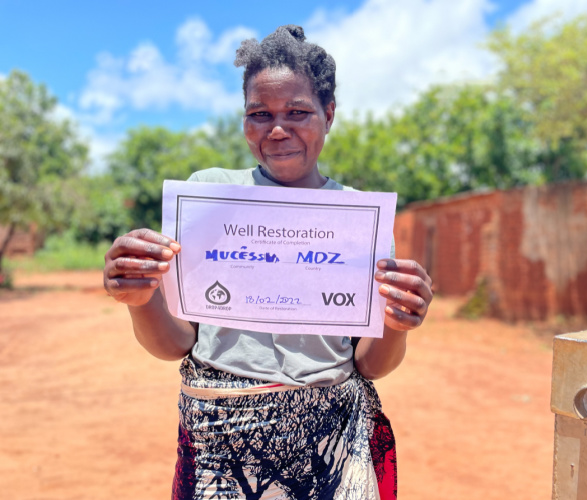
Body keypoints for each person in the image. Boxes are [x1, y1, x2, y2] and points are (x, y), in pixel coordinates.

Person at [103, 25, 432, 500]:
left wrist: (397, 324)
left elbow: (370, 365)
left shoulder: (360, 219)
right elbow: (176, 344)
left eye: (297, 112)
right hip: (220, 443)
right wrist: (140, 299)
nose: (277, 130)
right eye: (260, 114)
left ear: (329, 114)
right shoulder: (209, 195)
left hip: (329, 448)